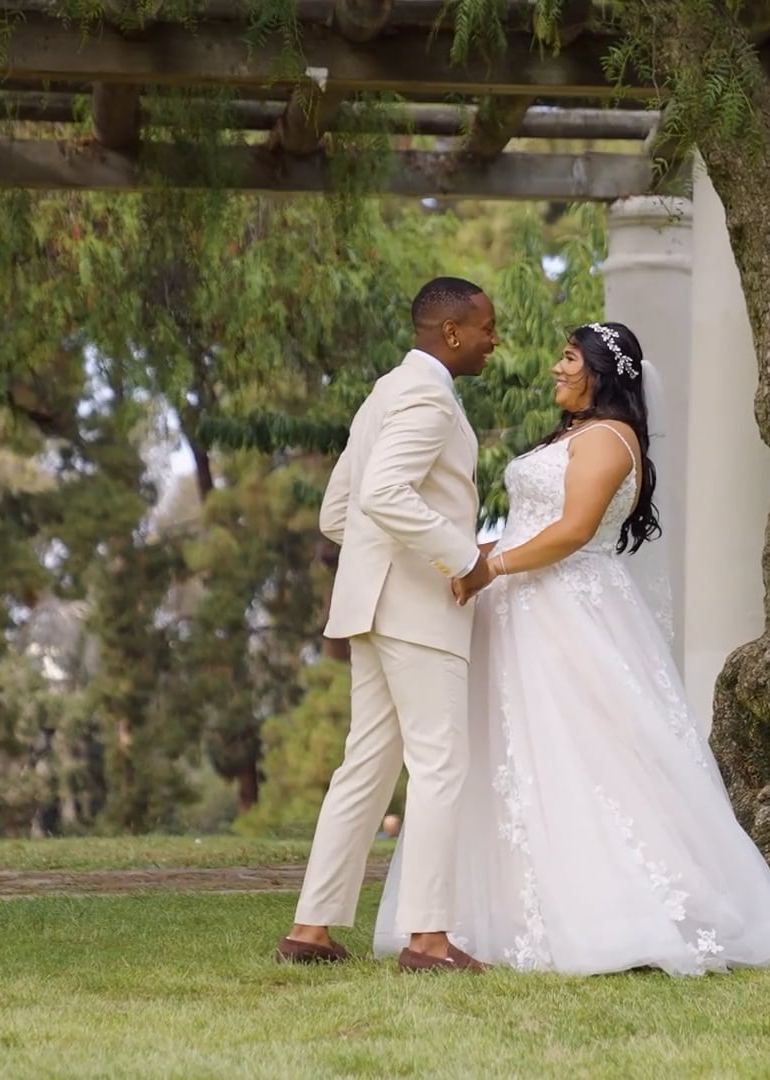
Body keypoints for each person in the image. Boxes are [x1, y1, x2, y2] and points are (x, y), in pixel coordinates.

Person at [373, 321, 770, 975]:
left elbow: (573, 531)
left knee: (581, 751)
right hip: (521, 602)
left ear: (600, 371)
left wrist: (492, 567)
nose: (555, 369)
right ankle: (512, 910)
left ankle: (616, 913)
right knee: (515, 755)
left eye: (568, 358)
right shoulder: (572, 435)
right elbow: (532, 523)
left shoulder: (608, 439)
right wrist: (471, 557)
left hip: (562, 607)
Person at [275, 277, 499, 973]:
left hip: (369, 605)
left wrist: (379, 563)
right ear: (453, 333)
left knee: (366, 765)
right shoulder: (429, 398)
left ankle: (311, 929)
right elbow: (380, 495)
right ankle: (428, 941)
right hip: (417, 609)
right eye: (487, 328)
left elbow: (338, 513)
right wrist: (464, 556)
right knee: (440, 764)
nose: (495, 340)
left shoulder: (384, 391)